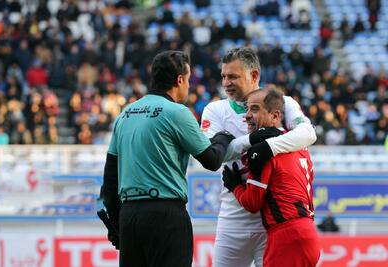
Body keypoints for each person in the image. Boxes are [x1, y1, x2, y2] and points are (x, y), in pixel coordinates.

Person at [99, 50, 234, 267]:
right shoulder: (177, 112)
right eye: (188, 80)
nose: (189, 86)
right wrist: (223, 138)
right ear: (179, 80)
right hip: (165, 215)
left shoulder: (125, 114)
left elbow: (109, 180)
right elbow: (212, 160)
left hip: (129, 217)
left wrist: (116, 227)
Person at [201, 47, 316, 267]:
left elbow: (308, 133)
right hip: (233, 217)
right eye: (224, 76)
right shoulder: (215, 110)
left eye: (233, 76)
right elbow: (211, 156)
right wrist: (253, 141)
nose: (226, 83)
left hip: (272, 221)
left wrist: (268, 146)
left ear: (254, 75)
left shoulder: (283, 102)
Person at [222, 88, 320, 267]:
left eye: (255, 109)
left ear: (275, 116)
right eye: (247, 109)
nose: (247, 115)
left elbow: (253, 202)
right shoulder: (299, 143)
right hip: (309, 233)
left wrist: (235, 185)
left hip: (286, 236)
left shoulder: (264, 150)